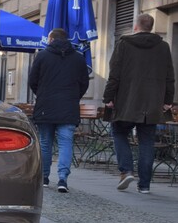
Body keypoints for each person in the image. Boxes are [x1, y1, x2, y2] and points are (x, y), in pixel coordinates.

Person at [103, 13, 175, 194]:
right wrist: (167, 100)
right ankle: (144, 185)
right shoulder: (163, 47)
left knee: (118, 132)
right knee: (147, 142)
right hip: (152, 103)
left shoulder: (124, 44)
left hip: (127, 101)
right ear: (150, 27)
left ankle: (126, 170)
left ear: (136, 26)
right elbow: (169, 77)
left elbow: (115, 74)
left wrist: (108, 97)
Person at [29, 28, 90, 193]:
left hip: (45, 106)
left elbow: (32, 81)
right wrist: (73, 97)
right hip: (68, 107)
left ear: (51, 39)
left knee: (45, 143)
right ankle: (63, 179)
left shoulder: (42, 56)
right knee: (65, 143)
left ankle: (44, 178)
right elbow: (84, 83)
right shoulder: (78, 58)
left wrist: (42, 94)